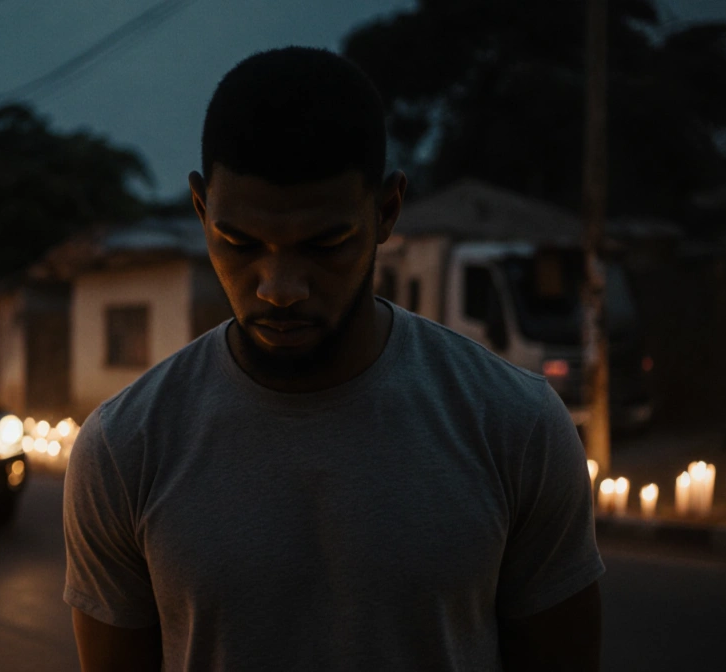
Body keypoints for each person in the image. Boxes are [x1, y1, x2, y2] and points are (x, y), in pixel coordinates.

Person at [63, 46, 603, 671]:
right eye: (238, 243)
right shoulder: (125, 448)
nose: (279, 286)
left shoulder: (515, 426)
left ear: (386, 212)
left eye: (325, 244)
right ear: (200, 210)